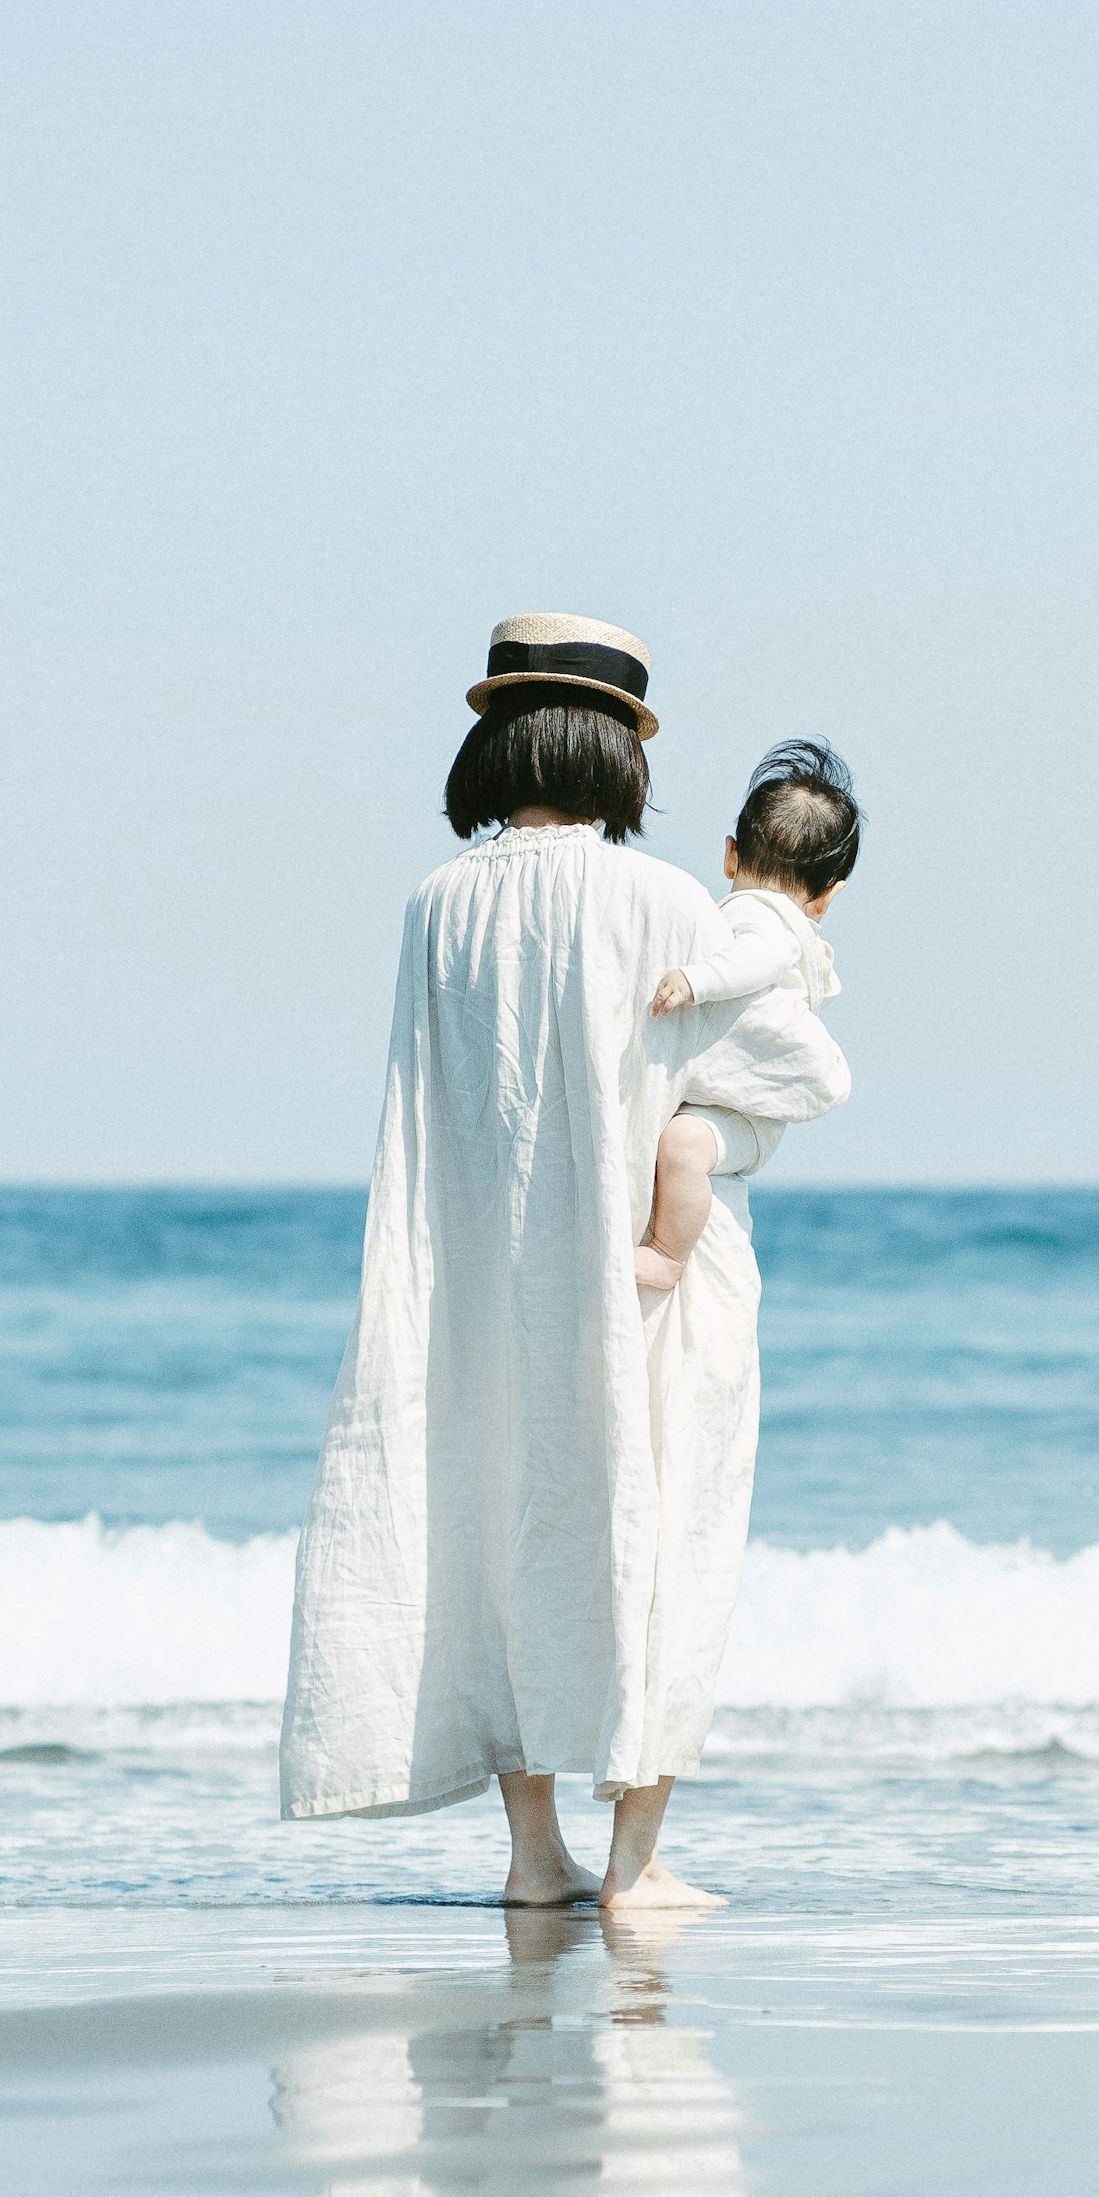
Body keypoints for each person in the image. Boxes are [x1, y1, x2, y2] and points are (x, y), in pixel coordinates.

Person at [281, 613, 849, 1910]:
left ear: (497, 742)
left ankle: (534, 1856)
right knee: (664, 1544)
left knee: (508, 1534)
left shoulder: (439, 905)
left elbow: (443, 1100)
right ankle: (636, 1866)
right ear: (621, 756)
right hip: (651, 1279)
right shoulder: (660, 901)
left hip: (485, 1279)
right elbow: (775, 1065)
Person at [637, 741, 863, 1292]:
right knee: (682, 1142)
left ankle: (668, 1254)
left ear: (730, 856)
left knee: (682, 1145)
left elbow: (754, 960)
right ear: (828, 897)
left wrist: (695, 981)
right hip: (747, 1113)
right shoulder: (792, 923)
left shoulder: (759, 917)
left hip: (744, 1121)